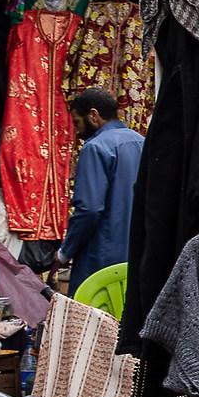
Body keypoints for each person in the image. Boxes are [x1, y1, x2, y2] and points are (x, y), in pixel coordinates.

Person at [64, 88, 144, 294]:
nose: (76, 131)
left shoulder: (95, 148)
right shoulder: (142, 143)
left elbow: (89, 209)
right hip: (138, 255)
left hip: (100, 260)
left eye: (76, 122)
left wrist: (66, 251)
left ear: (93, 115)